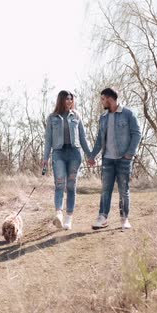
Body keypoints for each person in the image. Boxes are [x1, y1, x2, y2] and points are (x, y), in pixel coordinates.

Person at [87, 87, 141, 230]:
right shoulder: (103, 118)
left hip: (124, 159)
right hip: (107, 160)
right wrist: (92, 155)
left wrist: (129, 154)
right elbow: (100, 139)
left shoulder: (128, 114)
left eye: (103, 99)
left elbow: (137, 134)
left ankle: (124, 219)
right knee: (105, 190)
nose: (102, 102)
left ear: (110, 99)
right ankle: (102, 217)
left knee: (124, 190)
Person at [42, 90, 91, 230]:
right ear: (61, 100)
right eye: (67, 99)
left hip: (74, 153)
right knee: (59, 184)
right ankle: (59, 214)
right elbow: (48, 141)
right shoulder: (52, 118)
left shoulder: (76, 116)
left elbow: (83, 138)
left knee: (71, 186)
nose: (70, 101)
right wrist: (45, 159)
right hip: (58, 153)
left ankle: (69, 217)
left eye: (71, 99)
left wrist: (90, 156)